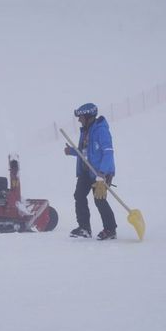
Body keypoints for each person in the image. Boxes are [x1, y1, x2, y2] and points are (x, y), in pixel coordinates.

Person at [64, 103, 118, 240]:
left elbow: (108, 152)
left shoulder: (101, 130)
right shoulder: (85, 131)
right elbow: (85, 152)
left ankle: (110, 230)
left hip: (100, 173)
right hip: (86, 172)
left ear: (88, 116)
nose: (79, 120)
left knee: (99, 200)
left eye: (81, 117)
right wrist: (72, 151)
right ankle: (84, 228)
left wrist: (103, 173)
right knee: (79, 196)